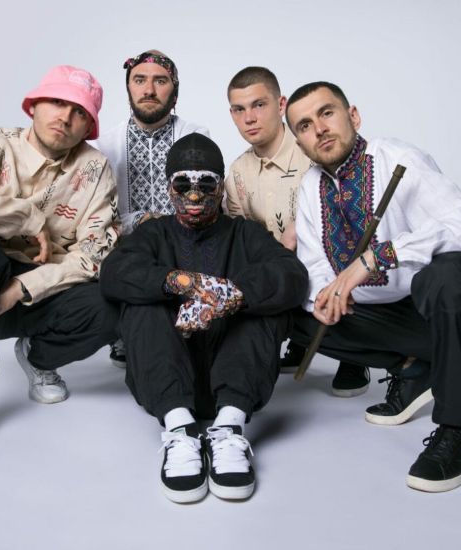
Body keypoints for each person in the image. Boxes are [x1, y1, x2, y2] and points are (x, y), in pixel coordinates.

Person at [285, 81, 461, 492]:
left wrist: (380, 256)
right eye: (305, 125)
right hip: (395, 323)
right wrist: (325, 296)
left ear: (353, 115)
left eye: (326, 113)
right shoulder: (309, 187)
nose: (319, 128)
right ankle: (416, 369)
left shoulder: (399, 159)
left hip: (447, 314)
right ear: (299, 143)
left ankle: (460, 427)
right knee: (293, 309)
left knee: (444, 276)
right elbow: (315, 265)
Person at [100, 133, 308, 503]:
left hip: (237, 381)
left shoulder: (245, 233)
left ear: (221, 187)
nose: (194, 196)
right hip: (168, 381)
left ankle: (229, 429)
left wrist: (231, 294)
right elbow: (114, 273)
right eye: (183, 184)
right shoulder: (153, 233)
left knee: (264, 300)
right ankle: (180, 431)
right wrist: (181, 283)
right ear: (169, 188)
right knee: (140, 300)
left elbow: (292, 275)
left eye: (206, 185)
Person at [0, 65, 120, 459]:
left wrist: (22, 288)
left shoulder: (94, 168)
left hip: (40, 293)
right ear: (33, 106)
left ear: (89, 127)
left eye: (79, 112)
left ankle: (37, 357)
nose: (65, 117)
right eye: (57, 102)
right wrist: (27, 218)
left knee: (112, 303)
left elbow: (95, 254)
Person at [225, 66, 369, 396]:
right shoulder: (238, 172)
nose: (249, 118)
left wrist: (302, 225)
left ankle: (354, 356)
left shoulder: (314, 148)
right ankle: (298, 341)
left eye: (259, 105)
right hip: (279, 271)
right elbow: (240, 235)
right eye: (239, 109)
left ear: (281, 105)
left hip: (331, 265)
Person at [96, 49, 208, 362]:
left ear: (175, 91)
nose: (148, 89)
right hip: (127, 249)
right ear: (128, 88)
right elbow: (97, 216)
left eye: (160, 81)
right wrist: (140, 220)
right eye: (139, 80)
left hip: (184, 244)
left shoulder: (195, 137)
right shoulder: (104, 147)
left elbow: (204, 200)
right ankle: (126, 332)